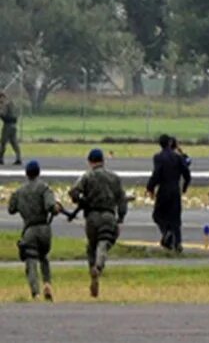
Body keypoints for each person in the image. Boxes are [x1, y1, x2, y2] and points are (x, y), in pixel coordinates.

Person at [69, 149, 127, 298]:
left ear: (90, 162)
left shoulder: (87, 176)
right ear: (103, 161)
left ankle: (92, 270)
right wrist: (120, 218)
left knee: (91, 246)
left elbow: (74, 193)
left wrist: (81, 201)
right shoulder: (114, 178)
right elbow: (122, 199)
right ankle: (99, 266)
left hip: (92, 217)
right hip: (108, 215)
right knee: (105, 241)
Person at [8, 161, 60, 300]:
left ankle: (35, 292)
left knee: (31, 261)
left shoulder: (19, 192)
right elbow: (50, 206)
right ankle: (47, 283)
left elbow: (11, 209)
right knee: (44, 257)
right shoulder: (44, 188)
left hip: (29, 230)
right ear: (38, 172)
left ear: (26, 174)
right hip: (44, 229)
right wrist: (57, 209)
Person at [146, 134, 191, 252]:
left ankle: (167, 232)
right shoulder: (178, 157)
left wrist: (150, 187)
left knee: (158, 215)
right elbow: (187, 173)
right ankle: (178, 243)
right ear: (170, 143)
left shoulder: (158, 157)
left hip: (164, 189)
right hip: (175, 190)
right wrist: (185, 187)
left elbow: (156, 174)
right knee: (175, 217)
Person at [0, 91, 22, 165]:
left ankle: (1, 158)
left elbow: (3, 114)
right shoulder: (12, 104)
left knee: (3, 142)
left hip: (7, 125)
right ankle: (18, 158)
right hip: (14, 125)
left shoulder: (5, 105)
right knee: (14, 142)